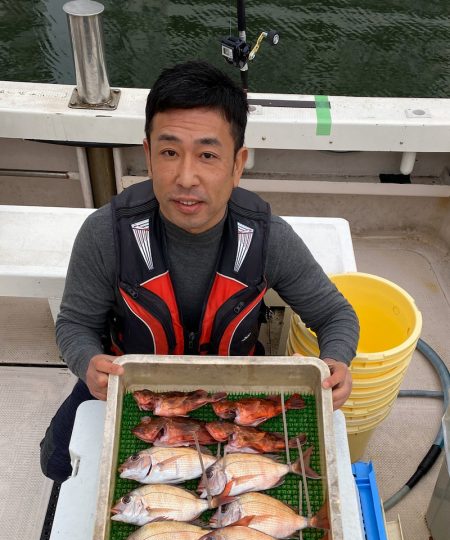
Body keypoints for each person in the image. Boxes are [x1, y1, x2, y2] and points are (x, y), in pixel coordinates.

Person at [40, 60, 359, 483]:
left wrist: (337, 361)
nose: (186, 176)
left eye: (208, 155)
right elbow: (75, 323)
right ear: (148, 155)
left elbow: (336, 315)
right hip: (136, 386)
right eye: (169, 152)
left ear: (237, 163)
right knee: (57, 461)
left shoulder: (269, 238)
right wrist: (87, 361)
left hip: (233, 392)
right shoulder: (105, 233)